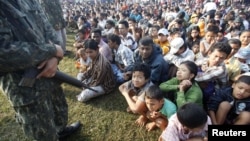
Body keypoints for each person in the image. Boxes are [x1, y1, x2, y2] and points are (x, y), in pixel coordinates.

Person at [0, 1, 80, 141]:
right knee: (42, 132)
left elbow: (47, 26)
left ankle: (60, 131)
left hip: (50, 72)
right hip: (24, 85)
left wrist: (55, 56)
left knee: (59, 112)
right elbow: (3, 52)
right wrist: (52, 50)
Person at [195, 42, 232, 110]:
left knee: (199, 84)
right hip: (208, 82)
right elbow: (193, 65)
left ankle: (205, 106)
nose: (217, 60)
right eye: (216, 56)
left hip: (217, 91)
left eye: (221, 58)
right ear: (209, 53)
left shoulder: (221, 69)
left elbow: (198, 78)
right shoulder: (205, 60)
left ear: (225, 58)